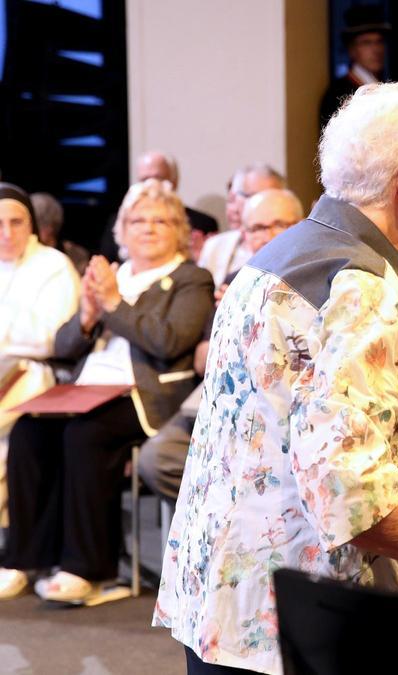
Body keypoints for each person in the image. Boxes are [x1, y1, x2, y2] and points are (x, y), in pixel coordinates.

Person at [156, 82, 398, 675]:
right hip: (301, 630)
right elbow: (354, 496)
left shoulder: (277, 255)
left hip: (227, 613)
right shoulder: (359, 290)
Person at [0, 179, 214, 603]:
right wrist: (85, 318)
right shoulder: (111, 275)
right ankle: (24, 558)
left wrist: (114, 305)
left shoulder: (192, 279)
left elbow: (169, 341)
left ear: (178, 229)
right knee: (29, 429)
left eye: (161, 220)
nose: (148, 228)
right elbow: (64, 348)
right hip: (85, 388)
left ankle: (87, 569)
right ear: (122, 229)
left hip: (142, 393)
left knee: (85, 434)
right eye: (137, 220)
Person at [137, 188, 305, 504]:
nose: (269, 236)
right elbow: (202, 362)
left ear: (302, 224)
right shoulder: (235, 280)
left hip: (285, 406)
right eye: (257, 228)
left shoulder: (319, 277)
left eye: (280, 224)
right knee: (159, 457)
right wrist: (227, 321)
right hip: (227, 400)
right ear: (244, 235)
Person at [0, 184, 81, 531]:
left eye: (16, 222)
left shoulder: (54, 265)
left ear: (31, 223)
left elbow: (52, 338)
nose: (6, 233)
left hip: (34, 373)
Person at [100, 151, 220, 261]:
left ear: (174, 181)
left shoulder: (202, 224)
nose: (151, 185)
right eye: (144, 179)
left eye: (158, 178)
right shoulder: (119, 222)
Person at [195, 163, 285, 291]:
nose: (263, 203)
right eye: (254, 196)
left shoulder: (288, 244)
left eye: (270, 197)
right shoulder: (215, 245)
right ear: (235, 198)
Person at [319, 6, 390, 131]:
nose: (376, 50)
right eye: (366, 43)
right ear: (352, 49)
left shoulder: (386, 86)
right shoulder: (337, 94)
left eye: (379, 42)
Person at [30, 192, 89, 273]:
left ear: (51, 227)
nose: (32, 233)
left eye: (40, 226)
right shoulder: (18, 256)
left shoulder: (75, 255)